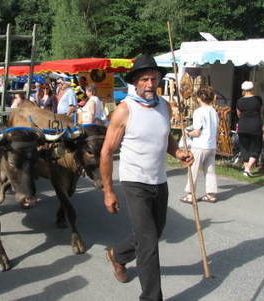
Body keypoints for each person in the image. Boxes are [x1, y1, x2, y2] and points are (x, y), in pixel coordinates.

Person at [100, 54, 193, 301]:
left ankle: (117, 255)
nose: (150, 83)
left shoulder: (164, 105)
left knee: (155, 232)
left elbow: (165, 138)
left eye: (154, 78)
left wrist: (178, 152)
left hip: (159, 181)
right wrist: (108, 191)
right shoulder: (124, 110)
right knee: (149, 243)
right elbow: (107, 151)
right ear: (136, 82)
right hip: (134, 182)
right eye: (145, 79)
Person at [180, 86, 219, 203]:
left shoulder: (199, 112)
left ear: (198, 98)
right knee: (210, 170)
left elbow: (197, 132)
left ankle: (190, 195)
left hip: (200, 145)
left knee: (193, 170)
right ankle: (211, 194)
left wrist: (187, 132)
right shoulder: (214, 111)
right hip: (211, 145)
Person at [236, 81, 263, 177]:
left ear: (243, 89)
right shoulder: (257, 99)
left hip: (243, 125)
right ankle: (248, 168)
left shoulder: (239, 101)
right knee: (256, 147)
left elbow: (238, 114)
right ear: (252, 88)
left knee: (244, 148)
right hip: (255, 126)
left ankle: (246, 169)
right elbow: (259, 110)